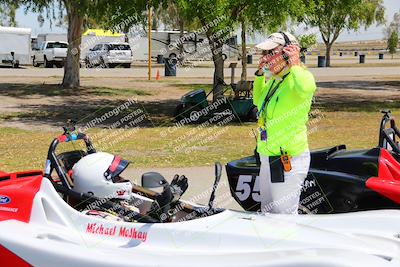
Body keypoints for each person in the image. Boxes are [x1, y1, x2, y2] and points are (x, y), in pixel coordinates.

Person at [253, 32, 316, 214]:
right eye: (264, 54)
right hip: (269, 158)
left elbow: (307, 88)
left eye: (270, 53)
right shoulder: (275, 81)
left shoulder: (300, 77)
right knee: (268, 213)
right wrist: (259, 75)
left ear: (287, 53)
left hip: (288, 161)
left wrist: (295, 63)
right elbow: (258, 101)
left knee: (284, 218)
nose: (265, 58)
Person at [71, 152, 188, 222]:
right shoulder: (95, 218)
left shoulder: (115, 205)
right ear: (96, 184)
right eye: (116, 177)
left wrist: (161, 207)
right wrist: (158, 213)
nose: (123, 180)